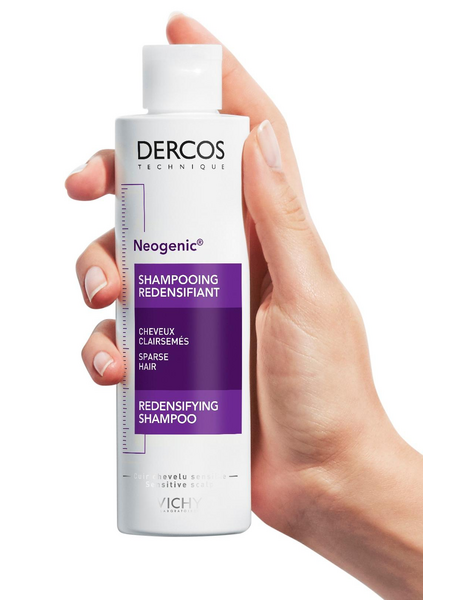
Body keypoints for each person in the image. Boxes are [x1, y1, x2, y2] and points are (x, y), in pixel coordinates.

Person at [65, 13, 423, 600]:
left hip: (232, 410)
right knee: (132, 283)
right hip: (155, 407)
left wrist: (334, 469)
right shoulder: (143, 136)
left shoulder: (229, 138)